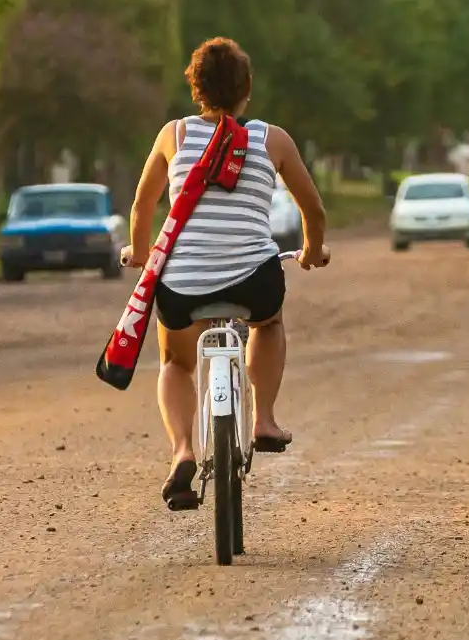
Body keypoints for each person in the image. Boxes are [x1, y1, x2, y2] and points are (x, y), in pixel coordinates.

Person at [123, 37, 330, 509]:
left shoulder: (172, 135)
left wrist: (139, 252)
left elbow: (142, 204)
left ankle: (181, 451)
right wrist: (312, 251)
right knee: (269, 322)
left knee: (176, 362)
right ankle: (265, 420)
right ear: (247, 89)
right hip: (252, 277)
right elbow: (312, 210)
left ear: (195, 87)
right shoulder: (272, 139)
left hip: (183, 281)